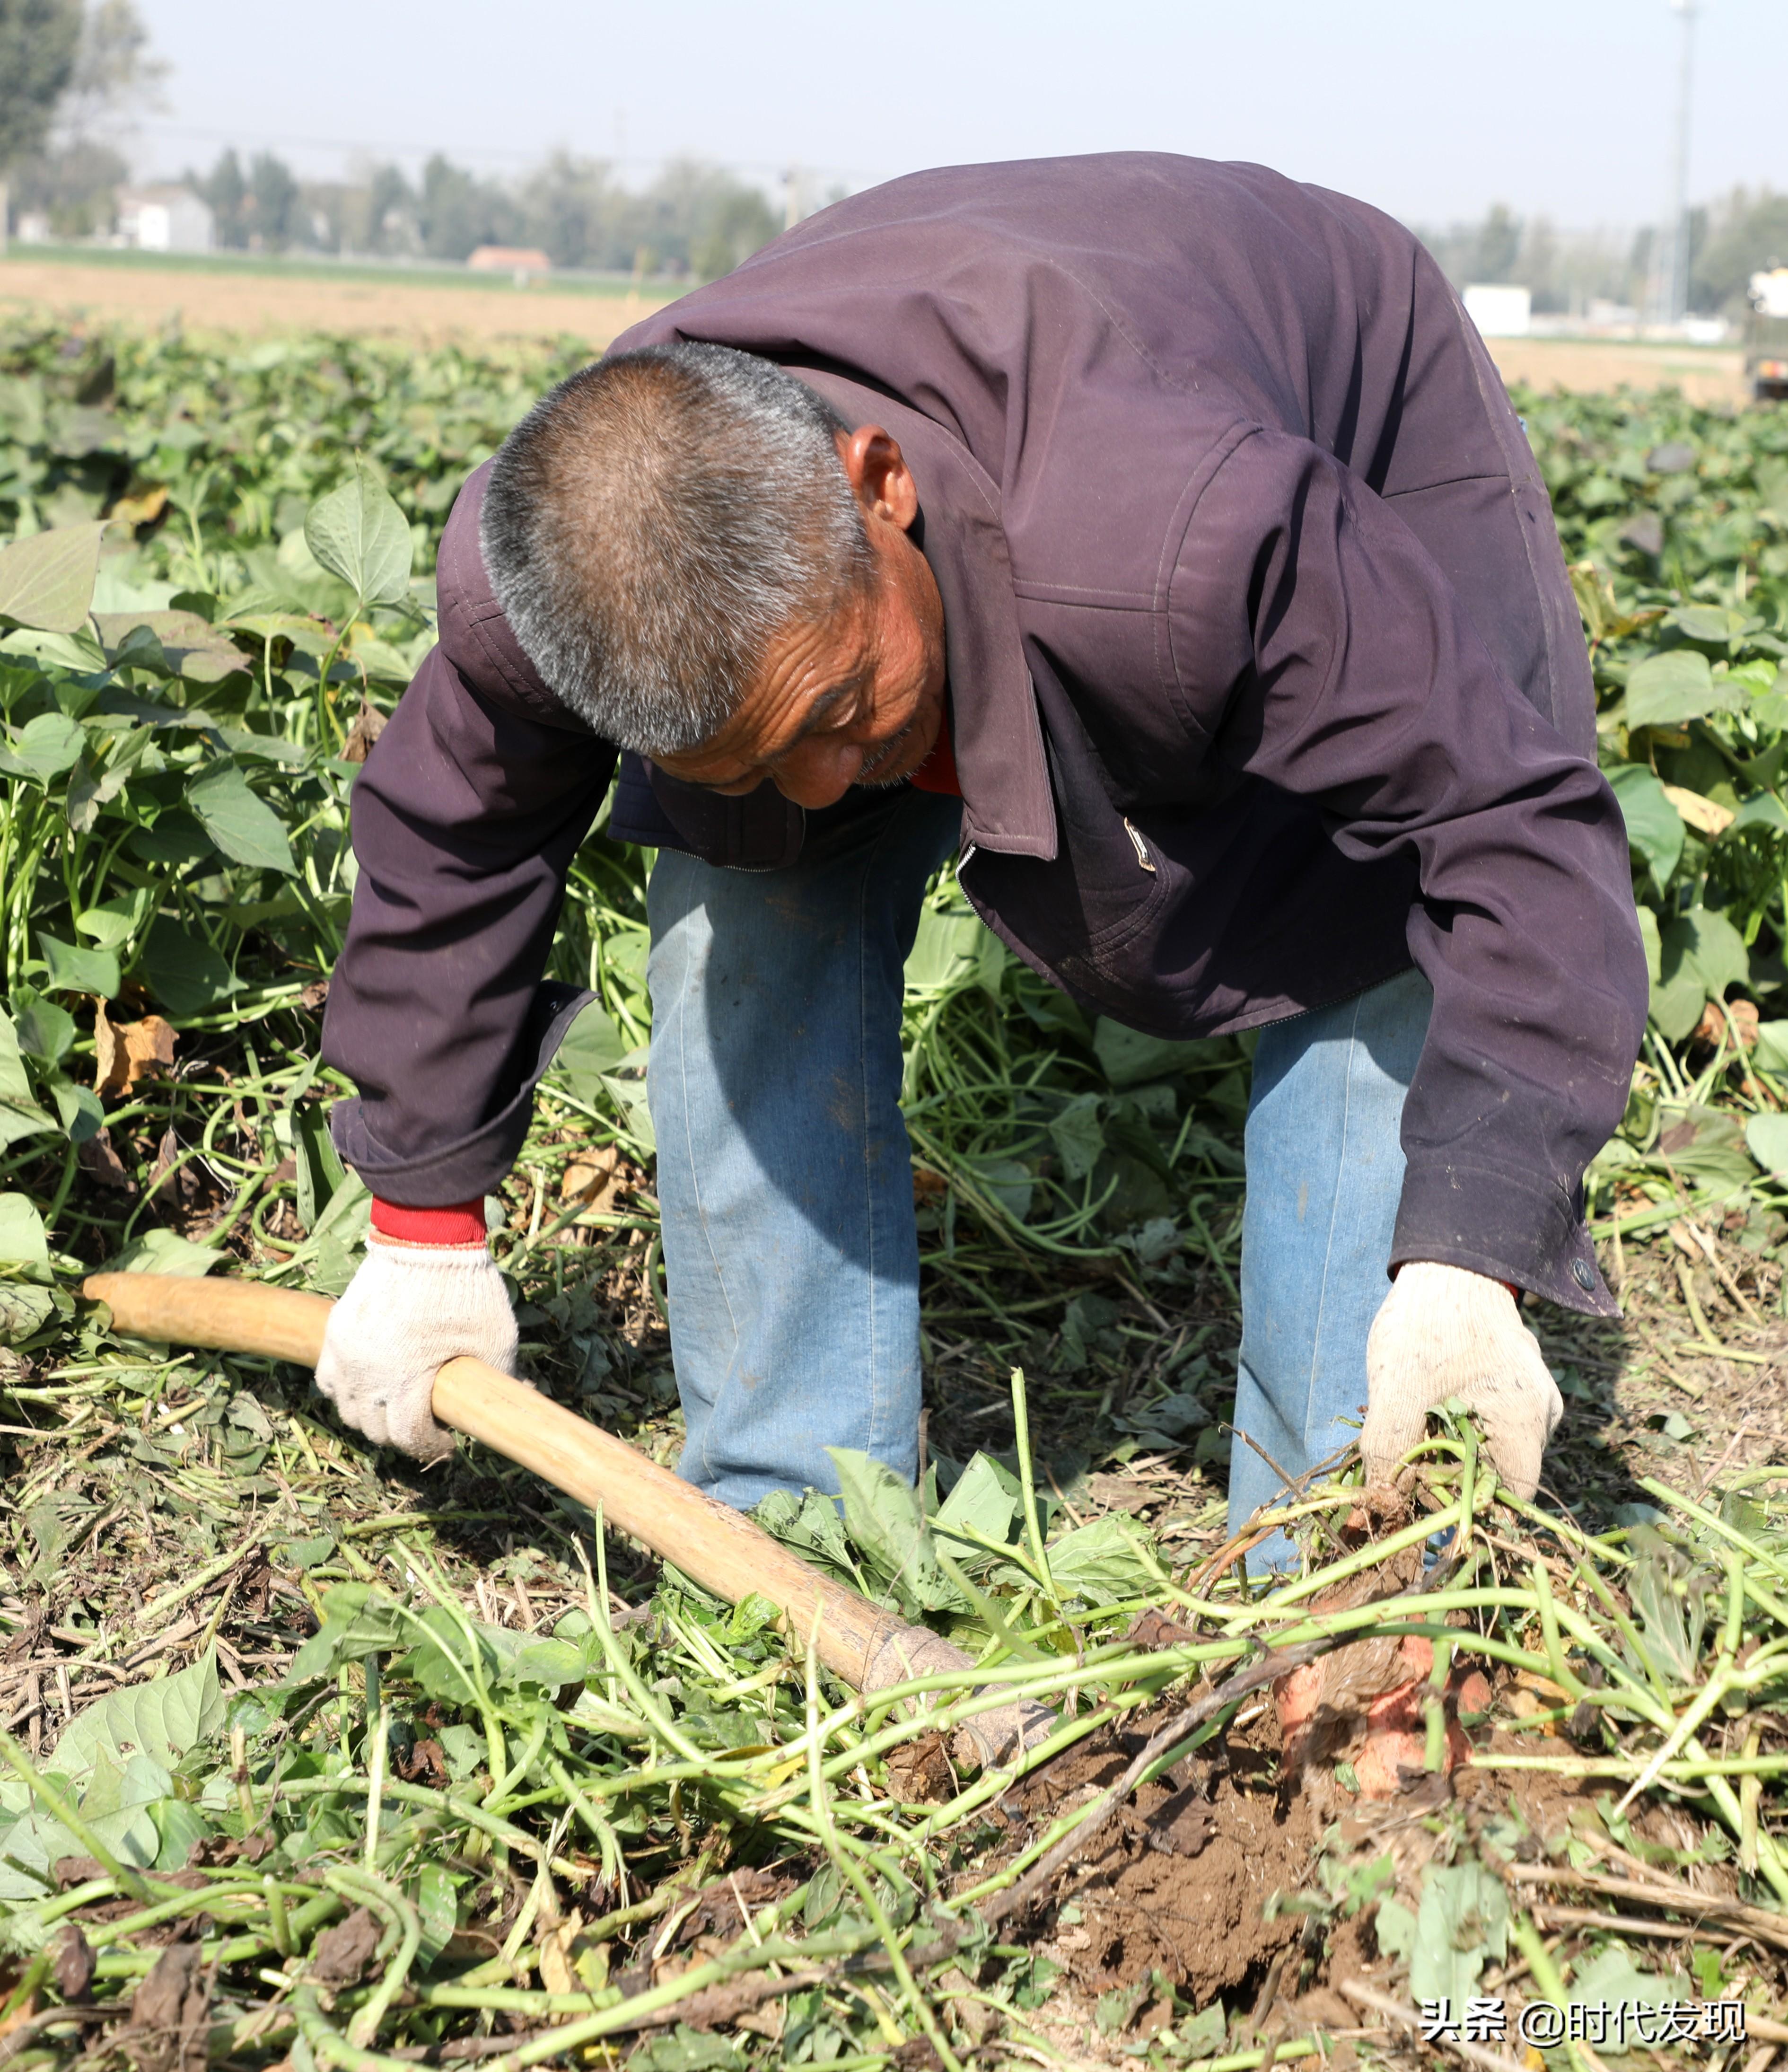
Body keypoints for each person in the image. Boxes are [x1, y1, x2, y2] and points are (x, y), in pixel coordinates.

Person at [313, 154, 1648, 1561]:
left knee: (1359, 918)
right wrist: (421, 1226)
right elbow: (446, 844)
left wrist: (1465, 1251)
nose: (826, 782)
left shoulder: (1188, 541)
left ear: (875, 485)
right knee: (744, 877)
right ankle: (799, 1514)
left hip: (1318, 374)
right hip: (971, 390)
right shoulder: (554, 574)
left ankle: (1341, 1562)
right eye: (760, 753)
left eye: (834, 714)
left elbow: (1504, 827)